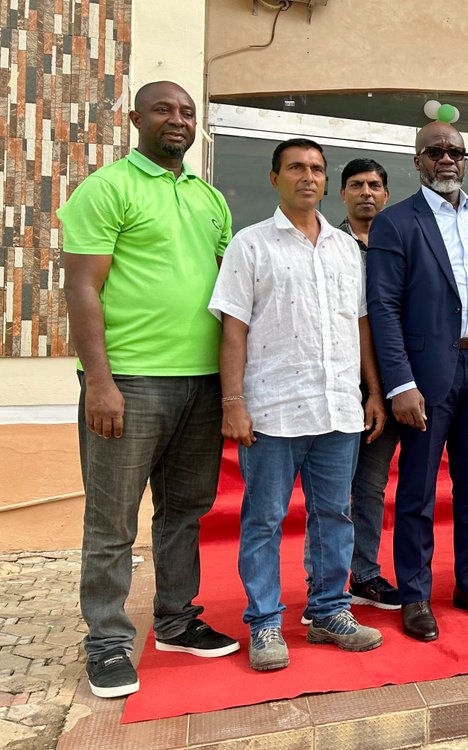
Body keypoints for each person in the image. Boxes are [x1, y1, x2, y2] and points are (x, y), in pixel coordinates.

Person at [59, 81, 240, 699]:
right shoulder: (106, 189)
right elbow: (82, 288)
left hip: (202, 383)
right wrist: (99, 383)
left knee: (185, 511)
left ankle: (175, 620)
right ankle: (107, 641)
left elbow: (226, 293)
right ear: (135, 118)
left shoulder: (211, 199)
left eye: (188, 112)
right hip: (129, 382)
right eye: (164, 109)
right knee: (111, 521)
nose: (178, 120)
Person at [210, 138, 385, 671]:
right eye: (295, 168)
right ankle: (264, 623)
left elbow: (360, 326)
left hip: (337, 410)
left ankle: (330, 612)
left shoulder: (342, 249)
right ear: (274, 178)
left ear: (325, 181)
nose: (307, 177)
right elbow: (233, 327)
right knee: (263, 519)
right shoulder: (251, 244)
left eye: (315, 169)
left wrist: (374, 391)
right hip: (272, 410)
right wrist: (233, 401)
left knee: (335, 515)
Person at [367, 123, 468, 642]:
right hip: (425, 376)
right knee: (418, 491)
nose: (446, 159)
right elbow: (383, 308)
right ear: (418, 160)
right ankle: (415, 594)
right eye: (436, 152)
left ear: (465, 160)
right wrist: (399, 383)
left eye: (455, 150)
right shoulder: (395, 223)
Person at [336, 158, 403, 610]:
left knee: (372, 485)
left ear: (386, 194)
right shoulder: (328, 244)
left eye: (375, 185)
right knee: (334, 487)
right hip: (339, 381)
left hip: (391, 379)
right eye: (357, 184)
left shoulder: (399, 243)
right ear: (342, 193)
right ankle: (323, 585)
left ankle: (365, 575)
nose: (366, 192)